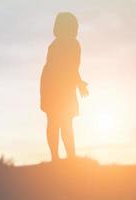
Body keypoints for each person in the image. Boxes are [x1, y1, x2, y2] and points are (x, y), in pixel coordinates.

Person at [40, 12, 88, 161]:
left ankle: (68, 157)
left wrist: (79, 83)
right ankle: (59, 157)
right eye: (74, 26)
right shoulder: (62, 45)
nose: (76, 30)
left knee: (62, 122)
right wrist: (78, 83)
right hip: (54, 87)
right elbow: (66, 67)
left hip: (61, 87)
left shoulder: (70, 44)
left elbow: (72, 68)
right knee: (57, 122)